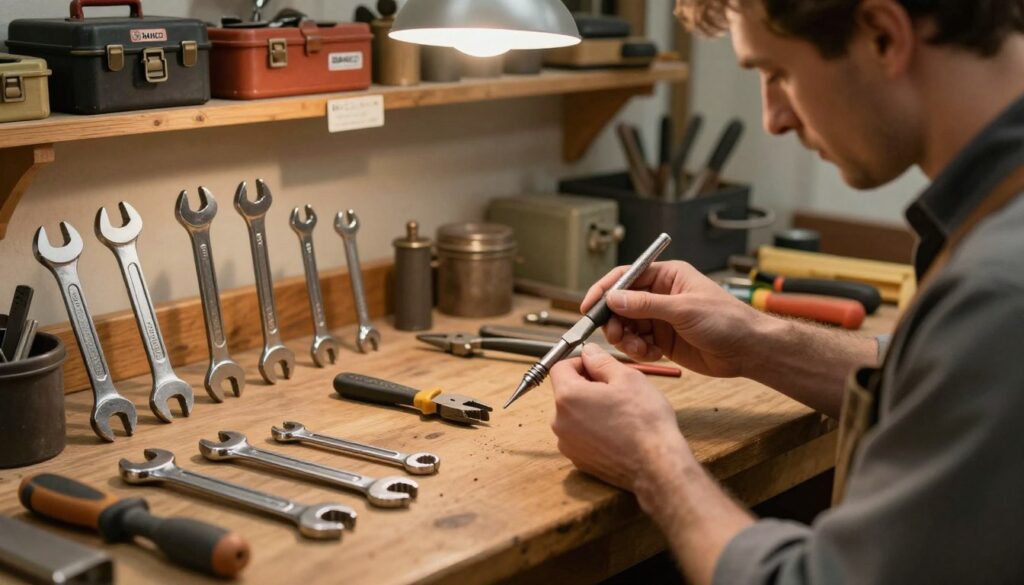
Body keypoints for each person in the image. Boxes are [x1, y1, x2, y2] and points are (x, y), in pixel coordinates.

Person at [547, 1, 1024, 583]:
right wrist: (755, 341)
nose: (773, 119)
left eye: (777, 74)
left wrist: (652, 462)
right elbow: (943, 377)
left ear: (881, 35)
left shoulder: (1001, 288)